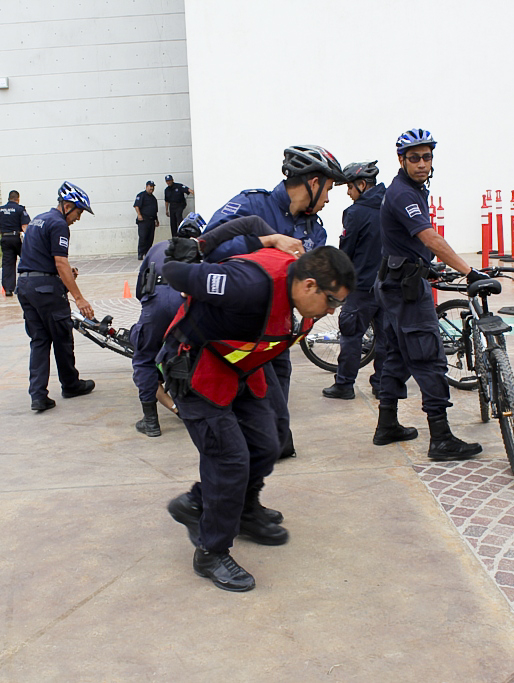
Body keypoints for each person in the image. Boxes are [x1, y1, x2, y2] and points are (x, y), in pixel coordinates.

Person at [161, 245, 355, 591]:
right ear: (310, 285)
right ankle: (211, 550)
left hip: (241, 366)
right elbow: (175, 271)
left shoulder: (300, 297)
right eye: (332, 301)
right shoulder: (247, 284)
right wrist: (198, 251)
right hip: (197, 368)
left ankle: (234, 509)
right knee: (230, 459)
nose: (331, 311)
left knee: (268, 443)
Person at [203, 144, 347, 459]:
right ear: (313, 182)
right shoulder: (251, 205)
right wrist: (266, 240)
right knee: (261, 406)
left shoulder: (314, 230)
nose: (327, 199)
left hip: (278, 329)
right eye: (328, 190)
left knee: (277, 397)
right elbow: (207, 248)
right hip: (238, 327)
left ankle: (265, 454)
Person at [131, 212, 303, 438]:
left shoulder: (159, 247)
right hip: (185, 298)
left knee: (144, 357)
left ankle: (151, 420)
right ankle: (198, 404)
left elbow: (139, 288)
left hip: (156, 300)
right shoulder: (209, 254)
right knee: (193, 349)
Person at [373, 128, 486, 461]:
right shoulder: (403, 194)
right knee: (427, 356)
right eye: (415, 158)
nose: (422, 164)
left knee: (395, 355)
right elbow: (428, 237)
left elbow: (405, 243)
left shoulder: (411, 189)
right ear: (401, 160)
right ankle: (441, 438)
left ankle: (387, 424)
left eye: (427, 157)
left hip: (395, 283)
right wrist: (469, 271)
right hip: (405, 291)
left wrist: (429, 266)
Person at [17, 181, 96, 412]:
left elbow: (41, 258)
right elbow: (60, 261)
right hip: (46, 290)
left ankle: (38, 395)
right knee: (62, 337)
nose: (78, 218)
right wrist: (79, 298)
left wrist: (61, 273)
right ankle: (71, 384)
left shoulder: (37, 221)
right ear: (68, 205)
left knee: (39, 340)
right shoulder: (59, 224)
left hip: (25, 285)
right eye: (79, 212)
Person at [323, 161, 388, 400]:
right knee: (385, 339)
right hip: (388, 285)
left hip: (361, 287)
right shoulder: (390, 204)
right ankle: (381, 384)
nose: (349, 193)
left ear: (362, 185)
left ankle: (344, 384)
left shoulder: (356, 212)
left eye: (349, 188)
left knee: (351, 336)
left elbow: (346, 250)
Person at [0, 190, 31, 296]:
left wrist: (2, 234)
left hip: (5, 238)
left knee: (8, 264)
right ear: (18, 199)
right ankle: (28, 284)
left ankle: (8, 289)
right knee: (27, 260)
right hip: (17, 238)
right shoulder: (20, 209)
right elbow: (25, 226)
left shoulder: (1, 210)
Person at [134, 180, 159, 259]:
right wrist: (139, 215)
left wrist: (156, 220)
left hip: (151, 220)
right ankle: (140, 253)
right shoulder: (141, 195)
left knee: (150, 237)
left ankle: (147, 253)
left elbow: (154, 210)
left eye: (153, 187)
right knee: (143, 237)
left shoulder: (153, 198)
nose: (152, 189)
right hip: (143, 220)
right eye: (150, 187)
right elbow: (136, 206)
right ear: (146, 187)